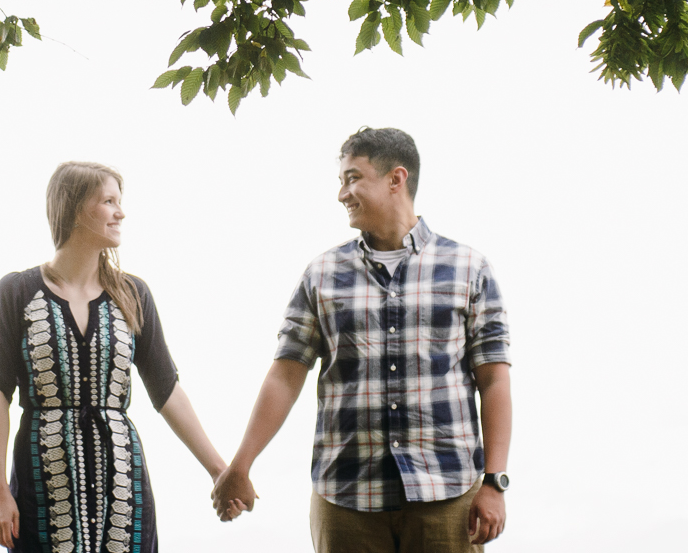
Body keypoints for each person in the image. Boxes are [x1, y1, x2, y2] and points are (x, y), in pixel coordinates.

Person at [212, 127, 513, 551]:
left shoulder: (469, 268)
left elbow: (494, 380)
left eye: (353, 178)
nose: (342, 193)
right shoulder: (321, 274)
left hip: (447, 495)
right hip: (345, 500)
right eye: (340, 181)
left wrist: (494, 482)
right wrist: (241, 463)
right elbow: (285, 374)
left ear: (396, 179)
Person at [0, 161, 228, 552]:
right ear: (76, 208)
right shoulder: (16, 292)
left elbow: (167, 390)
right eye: (109, 201)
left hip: (122, 488)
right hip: (42, 485)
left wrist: (220, 471)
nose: (121, 212)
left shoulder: (133, 295)